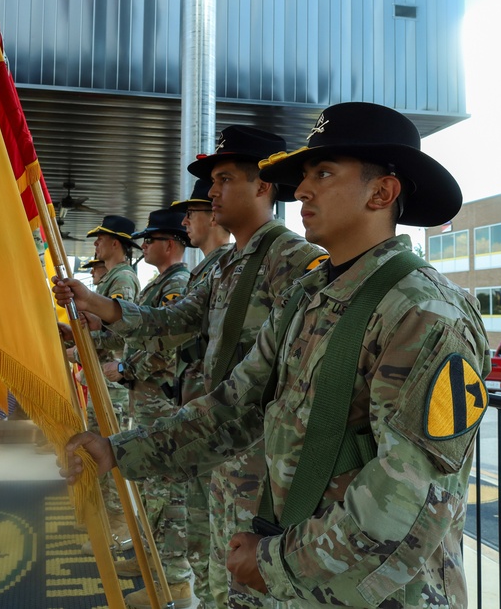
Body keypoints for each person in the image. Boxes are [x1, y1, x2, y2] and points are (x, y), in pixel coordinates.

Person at [56, 102, 490, 607]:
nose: (302, 190)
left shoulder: (428, 314)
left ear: (383, 191)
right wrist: (120, 450)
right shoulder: (309, 296)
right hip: (299, 573)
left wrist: (276, 563)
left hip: (379, 592)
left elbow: (411, 498)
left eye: (323, 173)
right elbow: (234, 405)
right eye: (304, 176)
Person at [57, 125, 323, 609]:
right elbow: (175, 320)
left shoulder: (296, 260)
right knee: (215, 566)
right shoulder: (225, 265)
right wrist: (97, 302)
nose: (212, 193)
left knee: (252, 586)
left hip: (261, 456)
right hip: (216, 443)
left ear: (263, 187)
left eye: (223, 180)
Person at [97, 209, 193, 607]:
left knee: (166, 495)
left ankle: (173, 582)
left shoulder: (179, 284)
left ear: (169, 244)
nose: (144, 247)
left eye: (150, 241)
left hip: (161, 402)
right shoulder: (160, 283)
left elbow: (168, 346)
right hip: (148, 401)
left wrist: (125, 368)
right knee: (150, 491)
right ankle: (148, 559)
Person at [169, 176, 232, 608]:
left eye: (191, 213)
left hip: (219, 421)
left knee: (215, 532)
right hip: (197, 412)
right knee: (199, 525)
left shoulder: (231, 267)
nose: (186, 221)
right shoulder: (210, 270)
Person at [79, 215, 142, 550]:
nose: (95, 245)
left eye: (100, 239)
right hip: (103, 378)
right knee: (99, 449)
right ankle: (109, 521)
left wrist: (84, 342)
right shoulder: (112, 280)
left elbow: (118, 331)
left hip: (113, 383)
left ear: (116, 243)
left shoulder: (123, 280)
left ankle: (118, 526)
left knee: (111, 451)